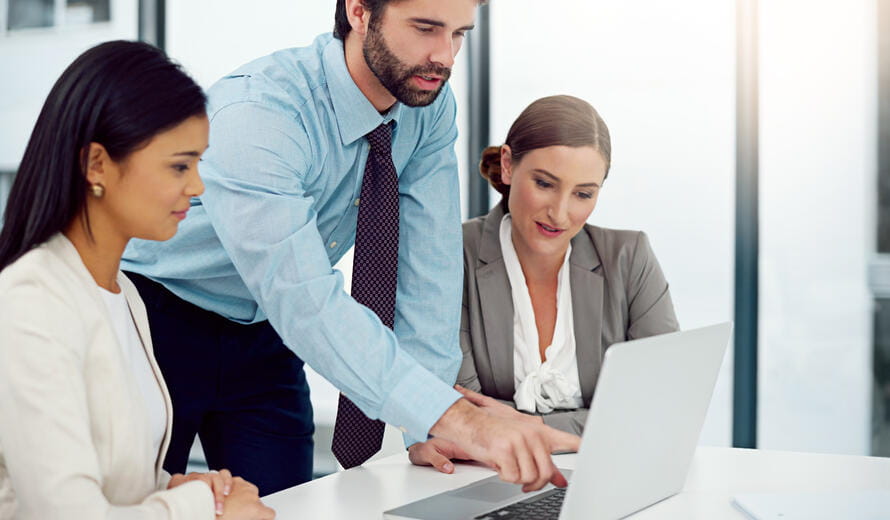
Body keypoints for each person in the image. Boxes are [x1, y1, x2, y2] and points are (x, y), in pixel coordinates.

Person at [120, 0, 579, 497]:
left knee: (287, 505)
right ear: (359, 12)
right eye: (425, 28)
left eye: (459, 34)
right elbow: (305, 298)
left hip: (263, 330)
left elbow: (430, 274)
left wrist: (429, 424)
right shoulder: (263, 112)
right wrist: (460, 419)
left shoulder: (427, 109)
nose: (445, 57)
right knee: (138, 502)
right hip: (157, 319)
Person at [0, 41, 273, 520]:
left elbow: (113, 469)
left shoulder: (123, 293)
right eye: (178, 166)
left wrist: (179, 484)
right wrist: (195, 508)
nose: (197, 187)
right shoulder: (30, 301)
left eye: (197, 164)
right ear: (97, 165)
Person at [408, 95, 679, 471]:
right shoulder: (453, 256)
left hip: (607, 473)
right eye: (545, 183)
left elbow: (662, 408)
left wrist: (524, 426)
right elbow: (457, 407)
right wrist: (597, 422)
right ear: (507, 165)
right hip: (479, 475)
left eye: (583, 193)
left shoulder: (629, 258)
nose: (560, 212)